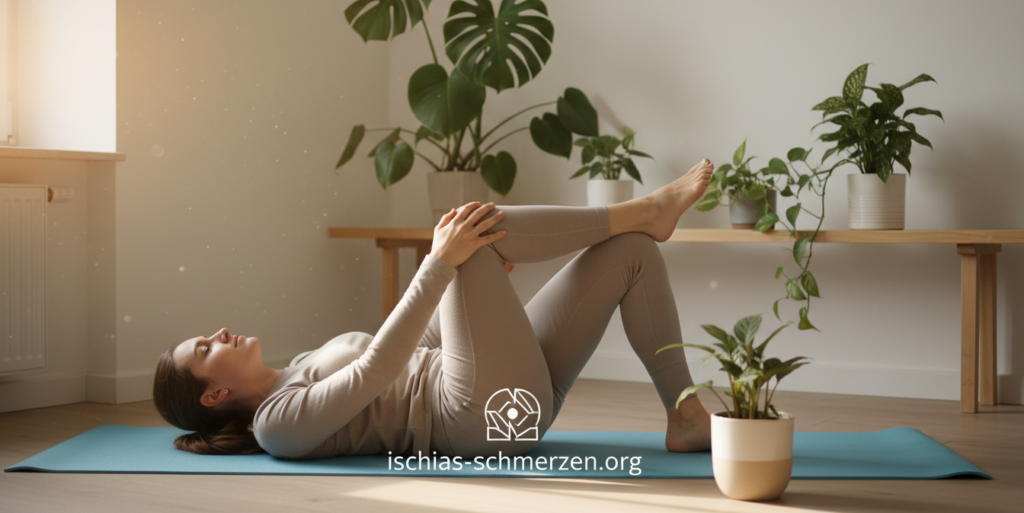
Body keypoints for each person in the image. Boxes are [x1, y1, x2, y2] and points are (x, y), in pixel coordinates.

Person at [153, 159, 716, 459]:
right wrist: (444, 265)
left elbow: (420, 346)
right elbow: (379, 370)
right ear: (214, 396)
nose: (218, 332)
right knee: (461, 233)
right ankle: (645, 208)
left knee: (632, 255)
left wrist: (464, 289)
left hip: (491, 387)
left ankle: (686, 417)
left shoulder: (302, 362)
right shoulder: (277, 427)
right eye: (204, 348)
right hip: (480, 420)